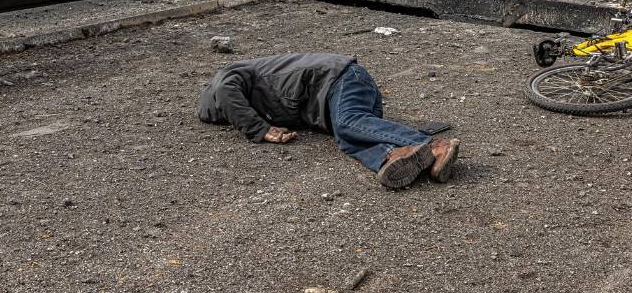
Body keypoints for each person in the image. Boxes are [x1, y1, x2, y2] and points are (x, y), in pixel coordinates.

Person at [197, 52, 460, 189]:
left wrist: (259, 129)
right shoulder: (251, 91)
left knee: (346, 123)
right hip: (339, 99)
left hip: (343, 79)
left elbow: (224, 91)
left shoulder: (223, 81)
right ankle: (397, 156)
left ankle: (431, 144)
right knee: (346, 139)